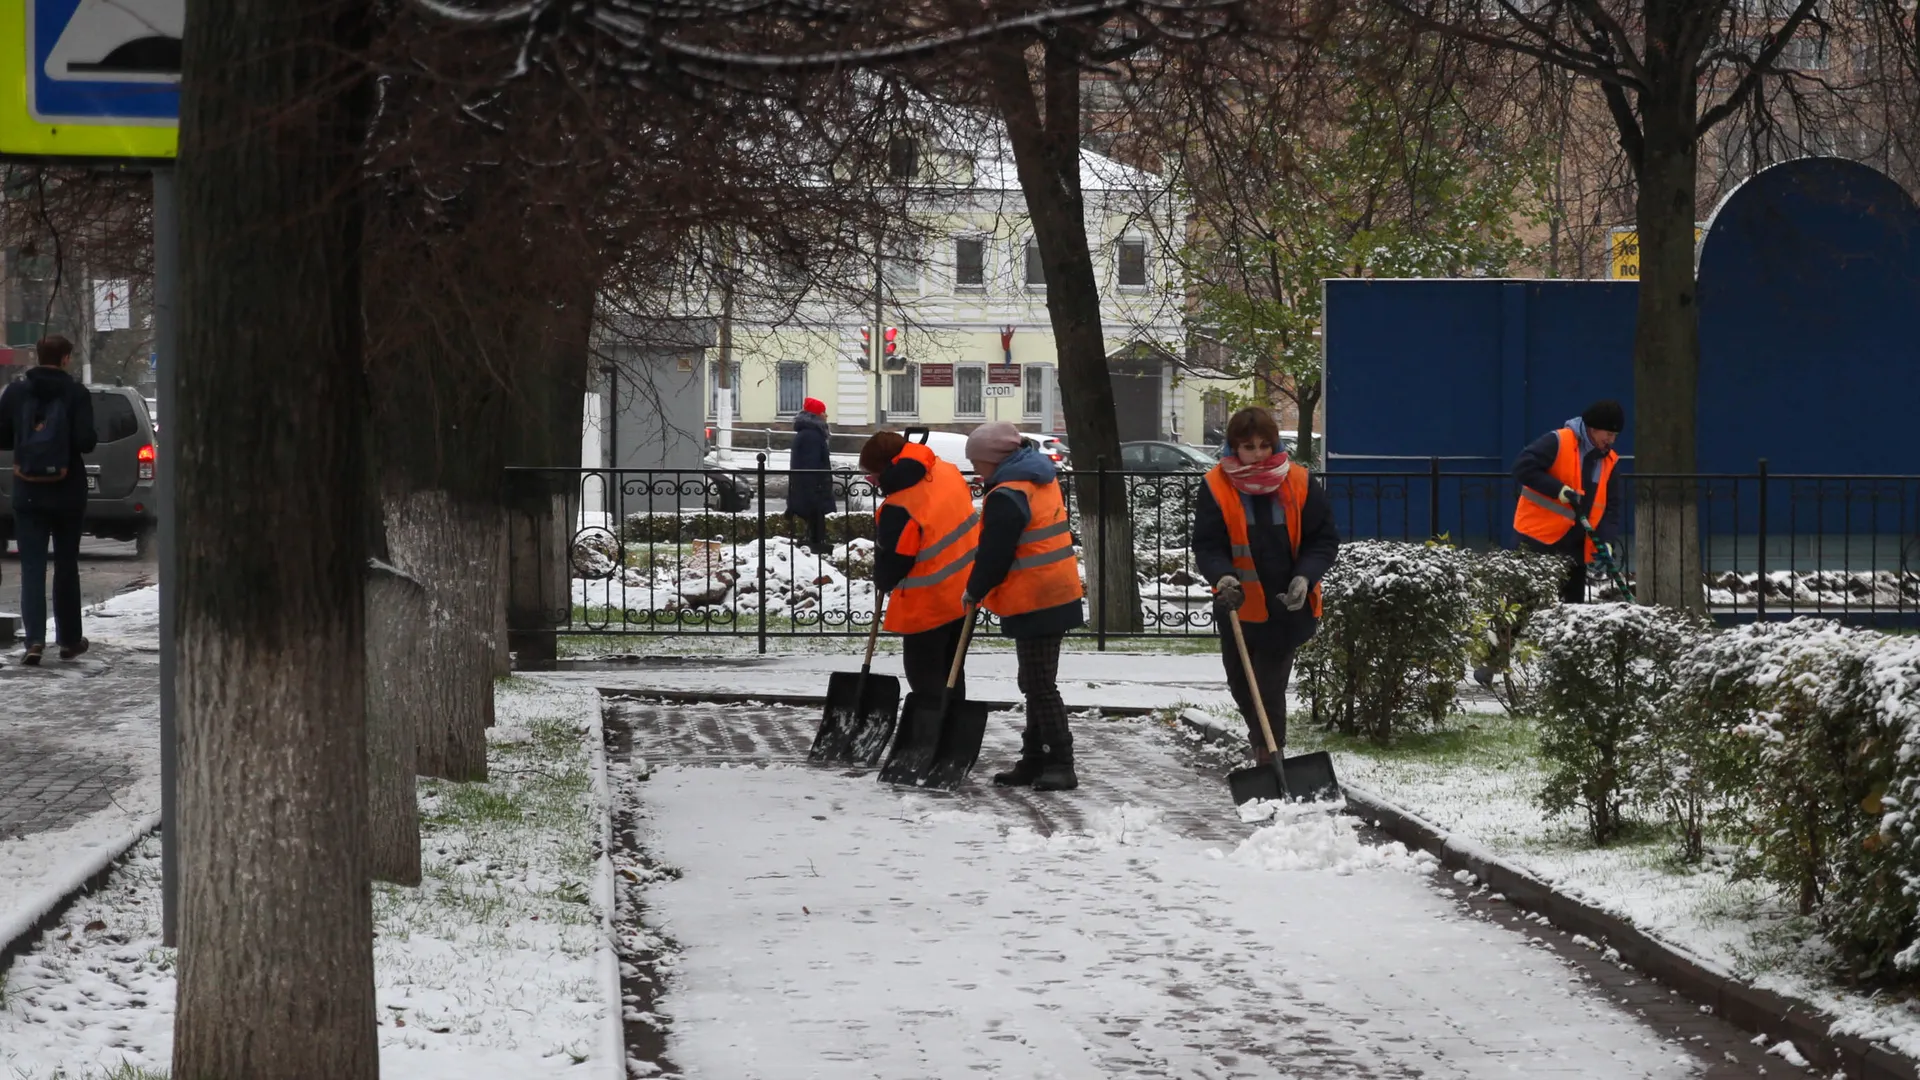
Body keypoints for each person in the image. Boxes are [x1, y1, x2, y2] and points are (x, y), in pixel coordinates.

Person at [1192, 407, 1339, 764]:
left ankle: (1269, 759)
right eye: (1248, 447)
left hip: (1287, 606)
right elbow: (1208, 544)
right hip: (1238, 605)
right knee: (1243, 686)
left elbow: (1322, 540)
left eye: (1264, 445)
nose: (1257, 454)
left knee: (1267, 687)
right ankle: (1264, 746)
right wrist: (1223, 576)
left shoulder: (1301, 482)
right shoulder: (1215, 485)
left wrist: (1305, 576)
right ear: (1233, 447)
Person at [962, 422, 1085, 792]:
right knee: (1035, 681)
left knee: (1039, 684)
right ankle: (1035, 759)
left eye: (977, 463)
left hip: (1037, 597)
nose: (976, 470)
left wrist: (974, 590)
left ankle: (1060, 762)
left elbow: (995, 554)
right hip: (1054, 590)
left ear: (993, 459)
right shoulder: (1039, 478)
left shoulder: (1007, 494)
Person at [0, 335, 98, 665]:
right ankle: (69, 641)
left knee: (32, 567)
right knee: (66, 566)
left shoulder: (15, 392)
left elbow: (1, 436)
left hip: (28, 492)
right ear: (66, 358)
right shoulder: (75, 393)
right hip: (68, 492)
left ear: (37, 355)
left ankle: (34, 642)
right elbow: (86, 441)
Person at [863, 430, 978, 701]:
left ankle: (932, 733)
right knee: (952, 671)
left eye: (871, 475)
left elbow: (895, 562)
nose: (871, 481)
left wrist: (881, 578)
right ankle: (953, 732)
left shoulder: (901, 506)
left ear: (886, 468)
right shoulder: (945, 471)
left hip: (930, 602)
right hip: (967, 590)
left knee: (924, 675)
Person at [1512, 399, 1624, 604]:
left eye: (1615, 436)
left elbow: (1611, 507)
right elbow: (1523, 468)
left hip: (1576, 545)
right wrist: (1558, 490)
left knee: (1573, 609)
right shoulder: (1559, 441)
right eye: (1608, 434)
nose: (1611, 440)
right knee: (1527, 603)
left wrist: (1606, 539)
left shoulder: (1609, 462)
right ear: (1593, 428)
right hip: (1538, 538)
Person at [787, 396, 834, 554]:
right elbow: (811, 466)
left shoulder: (809, 434)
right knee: (814, 531)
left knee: (814, 528)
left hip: (810, 491)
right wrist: (817, 490)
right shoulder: (811, 436)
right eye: (823, 412)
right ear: (817, 416)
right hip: (812, 492)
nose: (826, 415)